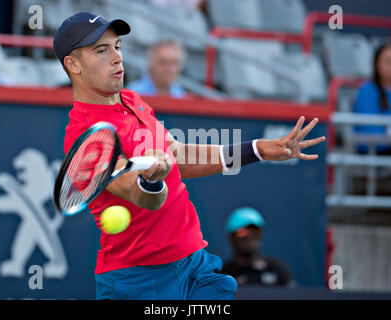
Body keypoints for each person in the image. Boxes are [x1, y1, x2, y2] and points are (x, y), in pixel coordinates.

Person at [53, 12, 325, 300]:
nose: (117, 57)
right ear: (73, 64)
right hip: (141, 280)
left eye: (118, 46)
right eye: (101, 50)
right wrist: (152, 180)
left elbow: (179, 155)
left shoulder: (132, 100)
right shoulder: (83, 135)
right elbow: (140, 195)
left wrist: (257, 149)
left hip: (193, 262)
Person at [220, 207, 293, 287]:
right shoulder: (222, 275)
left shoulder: (276, 270)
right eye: (243, 233)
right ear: (231, 238)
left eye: (256, 232)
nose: (251, 237)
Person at [353, 42, 391, 155]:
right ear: (377, 64)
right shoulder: (367, 91)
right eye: (388, 62)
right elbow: (367, 131)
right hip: (377, 154)